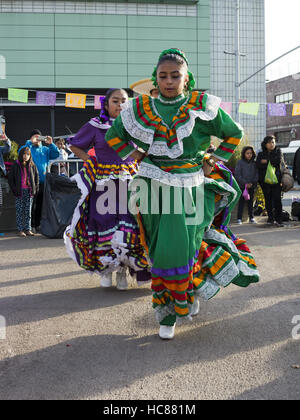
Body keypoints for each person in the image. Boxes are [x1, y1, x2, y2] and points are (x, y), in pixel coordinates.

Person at [105, 48, 259, 339]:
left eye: (175, 75)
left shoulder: (201, 105)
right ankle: (188, 293)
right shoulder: (141, 108)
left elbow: (233, 134)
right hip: (151, 186)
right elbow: (114, 135)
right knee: (160, 249)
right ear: (156, 78)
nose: (169, 81)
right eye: (163, 76)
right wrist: (135, 155)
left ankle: (169, 313)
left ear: (186, 78)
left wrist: (213, 159)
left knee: (176, 249)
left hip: (189, 187)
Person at [64, 88, 150, 290]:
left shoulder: (134, 127)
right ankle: (105, 270)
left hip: (129, 181)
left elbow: (145, 150)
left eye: (124, 101)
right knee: (102, 223)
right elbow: (75, 146)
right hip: (103, 182)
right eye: (115, 100)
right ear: (106, 103)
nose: (120, 105)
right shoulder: (95, 125)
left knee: (130, 226)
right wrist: (91, 161)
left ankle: (122, 271)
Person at [21, 129, 59, 232]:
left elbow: (56, 154)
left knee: (41, 205)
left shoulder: (45, 149)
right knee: (31, 204)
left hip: (43, 181)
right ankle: (30, 225)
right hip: (30, 182)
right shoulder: (28, 148)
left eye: (39, 137)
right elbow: (21, 153)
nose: (37, 140)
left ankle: (37, 224)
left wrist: (51, 144)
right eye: (35, 137)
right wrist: (29, 142)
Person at [8, 147, 39, 236]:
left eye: (28, 154)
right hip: (19, 192)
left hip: (29, 191)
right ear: (21, 155)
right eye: (24, 154)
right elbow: (11, 179)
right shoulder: (15, 165)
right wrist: (14, 189)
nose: (26, 156)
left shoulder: (32, 165)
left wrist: (35, 188)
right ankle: (20, 230)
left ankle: (28, 229)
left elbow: (37, 177)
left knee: (28, 211)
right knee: (19, 211)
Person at [256, 135, 284, 227]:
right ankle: (270, 218)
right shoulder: (261, 154)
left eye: (273, 142)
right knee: (267, 200)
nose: (271, 144)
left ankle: (279, 219)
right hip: (265, 182)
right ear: (265, 144)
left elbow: (277, 161)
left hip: (276, 180)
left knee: (277, 200)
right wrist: (269, 162)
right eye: (269, 142)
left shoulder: (278, 151)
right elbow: (258, 164)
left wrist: (266, 161)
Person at [235, 146, 259, 224]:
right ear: (244, 154)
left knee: (250, 202)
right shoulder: (240, 162)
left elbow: (257, 174)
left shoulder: (254, 163)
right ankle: (239, 218)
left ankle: (251, 217)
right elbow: (237, 175)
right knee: (241, 202)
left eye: (250, 153)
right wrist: (245, 183)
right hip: (242, 186)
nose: (249, 155)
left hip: (251, 186)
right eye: (247, 153)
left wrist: (252, 183)